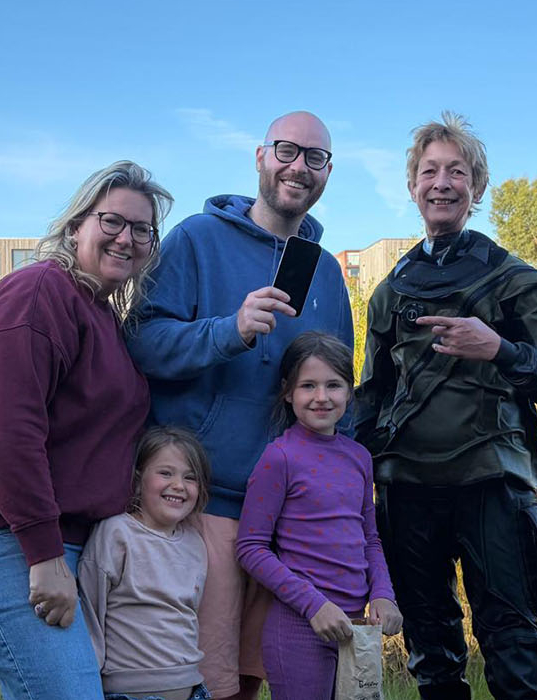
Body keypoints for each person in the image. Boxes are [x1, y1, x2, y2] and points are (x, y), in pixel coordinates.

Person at [355, 112, 537, 700]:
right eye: (429, 171)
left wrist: (500, 349)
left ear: (476, 188)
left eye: (456, 171)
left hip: (492, 487)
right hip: (405, 491)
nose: (441, 182)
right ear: (412, 188)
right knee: (431, 657)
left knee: (513, 650)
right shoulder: (390, 292)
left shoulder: (517, 282)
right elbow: (370, 398)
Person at [127, 111, 353, 700]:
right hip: (212, 503)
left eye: (315, 158)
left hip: (292, 516)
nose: (299, 167)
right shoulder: (195, 241)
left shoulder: (326, 273)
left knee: (258, 675)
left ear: (328, 172)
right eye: (287, 151)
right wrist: (228, 330)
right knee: (208, 680)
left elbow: (340, 390)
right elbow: (143, 342)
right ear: (259, 156)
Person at [0, 161, 173, 699]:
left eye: (142, 230)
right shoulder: (38, 295)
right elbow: (7, 432)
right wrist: (42, 556)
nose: (127, 238)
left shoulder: (100, 313)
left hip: (63, 544)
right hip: (6, 543)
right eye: (112, 221)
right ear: (75, 228)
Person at [235, 332, 402, 700]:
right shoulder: (279, 457)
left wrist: (385, 595)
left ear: (349, 392)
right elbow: (251, 548)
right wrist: (315, 605)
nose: (322, 397)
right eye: (308, 385)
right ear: (288, 392)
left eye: (334, 385)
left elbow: (369, 538)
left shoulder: (359, 457)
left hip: (356, 627)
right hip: (299, 627)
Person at [79, 426, 214, 700]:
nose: (178, 485)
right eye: (166, 473)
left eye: (190, 477)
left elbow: (187, 616)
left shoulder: (195, 543)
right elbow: (90, 610)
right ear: (139, 479)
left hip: (192, 690)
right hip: (127, 692)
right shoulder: (117, 533)